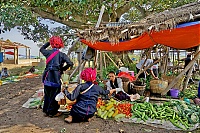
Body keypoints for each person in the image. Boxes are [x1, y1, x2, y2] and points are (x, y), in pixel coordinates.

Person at [40, 36, 73, 117]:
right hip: (55, 77)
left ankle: (46, 110)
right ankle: (52, 112)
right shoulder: (62, 55)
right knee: (55, 95)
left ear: (51, 44)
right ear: (60, 44)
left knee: (47, 94)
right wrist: (62, 69)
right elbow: (70, 63)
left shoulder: (47, 53)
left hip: (47, 76)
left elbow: (41, 49)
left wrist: (48, 42)